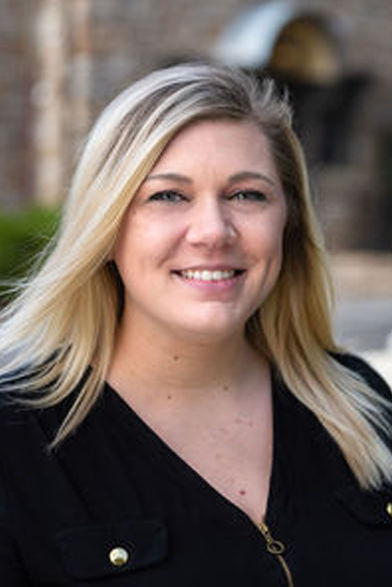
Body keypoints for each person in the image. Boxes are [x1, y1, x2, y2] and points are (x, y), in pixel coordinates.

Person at [0, 62, 391, 587]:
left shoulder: (359, 403)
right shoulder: (16, 442)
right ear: (108, 228)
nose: (213, 231)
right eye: (168, 196)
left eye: (247, 194)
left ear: (288, 223)